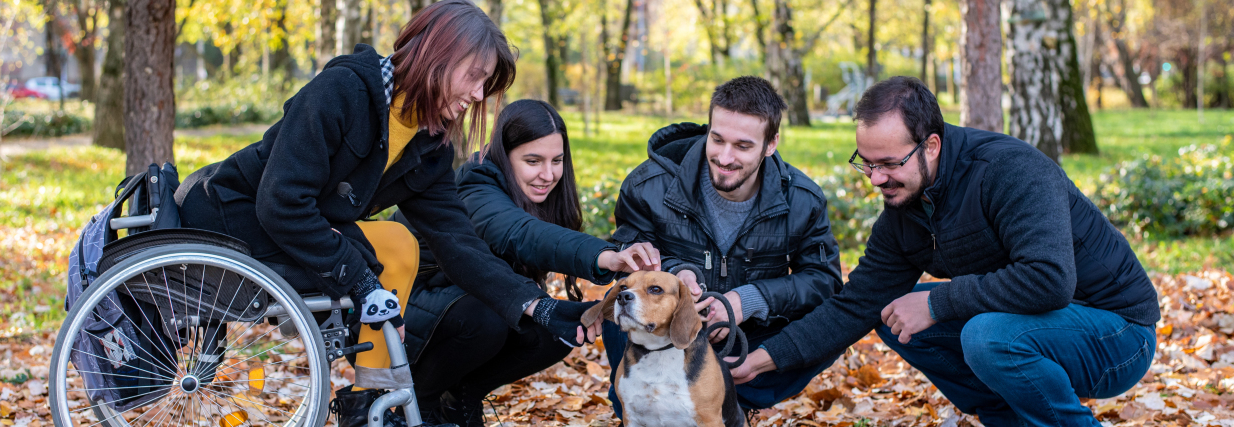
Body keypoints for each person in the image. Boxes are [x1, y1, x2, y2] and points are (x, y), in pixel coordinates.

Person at [174, 3, 597, 426]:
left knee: (398, 242)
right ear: (438, 54)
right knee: (386, 248)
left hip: (303, 228)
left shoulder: (429, 146)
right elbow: (280, 202)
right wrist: (362, 282)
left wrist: (539, 308)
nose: (478, 95)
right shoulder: (343, 91)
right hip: (230, 216)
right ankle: (372, 399)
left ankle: (367, 404)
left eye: (486, 84)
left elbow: (459, 244)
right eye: (474, 76)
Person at [729, 76, 1159, 425]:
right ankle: (1007, 420)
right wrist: (764, 360)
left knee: (986, 336)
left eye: (889, 164)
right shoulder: (903, 211)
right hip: (1034, 327)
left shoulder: (1010, 171)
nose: (875, 179)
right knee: (892, 313)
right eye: (866, 162)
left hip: (1118, 333)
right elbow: (854, 306)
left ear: (931, 145)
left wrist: (939, 300)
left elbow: (1050, 280)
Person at [394, 99, 660, 426]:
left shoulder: (538, 194)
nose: (547, 175)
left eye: (557, 161)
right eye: (533, 161)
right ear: (504, 157)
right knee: (487, 316)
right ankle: (419, 403)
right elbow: (521, 233)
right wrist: (605, 255)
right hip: (404, 305)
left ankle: (462, 395)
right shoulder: (475, 182)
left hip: (460, 302)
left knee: (559, 329)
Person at [605, 76, 845, 414]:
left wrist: (748, 301)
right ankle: (642, 408)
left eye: (743, 146)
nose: (725, 157)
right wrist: (676, 275)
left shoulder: (803, 199)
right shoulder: (648, 185)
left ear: (771, 143)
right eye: (716, 139)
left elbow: (824, 282)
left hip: (749, 338)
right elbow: (627, 262)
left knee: (833, 325)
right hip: (669, 332)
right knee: (619, 303)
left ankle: (729, 404)